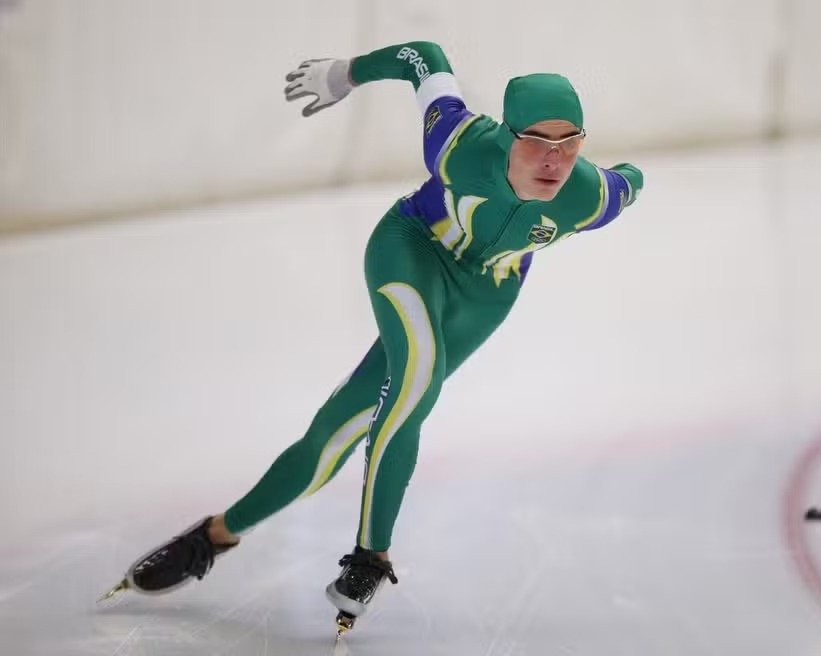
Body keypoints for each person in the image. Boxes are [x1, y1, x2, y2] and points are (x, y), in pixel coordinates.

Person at [106, 41, 644, 633]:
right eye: (537, 142)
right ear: (507, 134)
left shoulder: (591, 195)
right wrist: (346, 75)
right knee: (416, 381)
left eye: (569, 144)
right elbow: (425, 56)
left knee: (335, 432)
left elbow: (629, 181)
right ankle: (371, 555)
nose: (554, 160)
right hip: (411, 249)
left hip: (484, 297)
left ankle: (213, 536)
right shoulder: (460, 144)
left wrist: (630, 175)